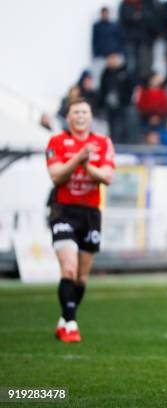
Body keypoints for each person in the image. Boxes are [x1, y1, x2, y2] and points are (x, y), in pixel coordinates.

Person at [46, 98, 115, 343]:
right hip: (63, 211)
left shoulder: (102, 142)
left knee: (81, 277)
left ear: (91, 116)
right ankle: (72, 325)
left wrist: (87, 166)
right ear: (68, 117)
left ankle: (64, 319)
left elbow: (106, 177)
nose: (80, 116)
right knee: (69, 268)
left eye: (84, 112)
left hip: (90, 214)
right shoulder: (57, 142)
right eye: (76, 112)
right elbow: (56, 176)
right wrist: (78, 158)